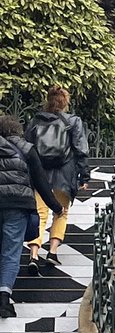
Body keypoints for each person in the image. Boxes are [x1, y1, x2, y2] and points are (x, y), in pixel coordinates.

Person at [0, 115, 63, 318]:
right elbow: (41, 182)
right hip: (18, 206)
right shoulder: (27, 149)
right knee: (11, 252)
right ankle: (4, 300)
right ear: (17, 131)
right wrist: (56, 207)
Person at [24, 86, 91, 274]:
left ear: (48, 100)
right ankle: (52, 253)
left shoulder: (35, 121)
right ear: (65, 102)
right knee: (61, 213)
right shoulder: (72, 122)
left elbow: (26, 148)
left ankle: (34, 254)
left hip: (40, 175)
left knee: (39, 213)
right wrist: (84, 176)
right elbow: (81, 150)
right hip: (64, 174)